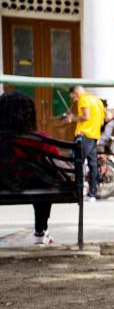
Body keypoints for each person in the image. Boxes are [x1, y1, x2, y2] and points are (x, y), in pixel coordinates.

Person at [0, 90, 59, 245]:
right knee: (43, 180)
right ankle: (40, 232)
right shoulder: (40, 139)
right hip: (34, 185)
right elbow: (57, 165)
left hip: (1, 183)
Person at [67, 85, 105, 201]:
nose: (75, 100)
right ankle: (92, 193)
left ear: (76, 92)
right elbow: (102, 121)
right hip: (94, 136)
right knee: (93, 165)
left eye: (73, 97)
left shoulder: (83, 98)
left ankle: (78, 191)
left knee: (78, 163)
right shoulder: (98, 100)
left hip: (83, 135)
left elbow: (86, 116)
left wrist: (72, 118)